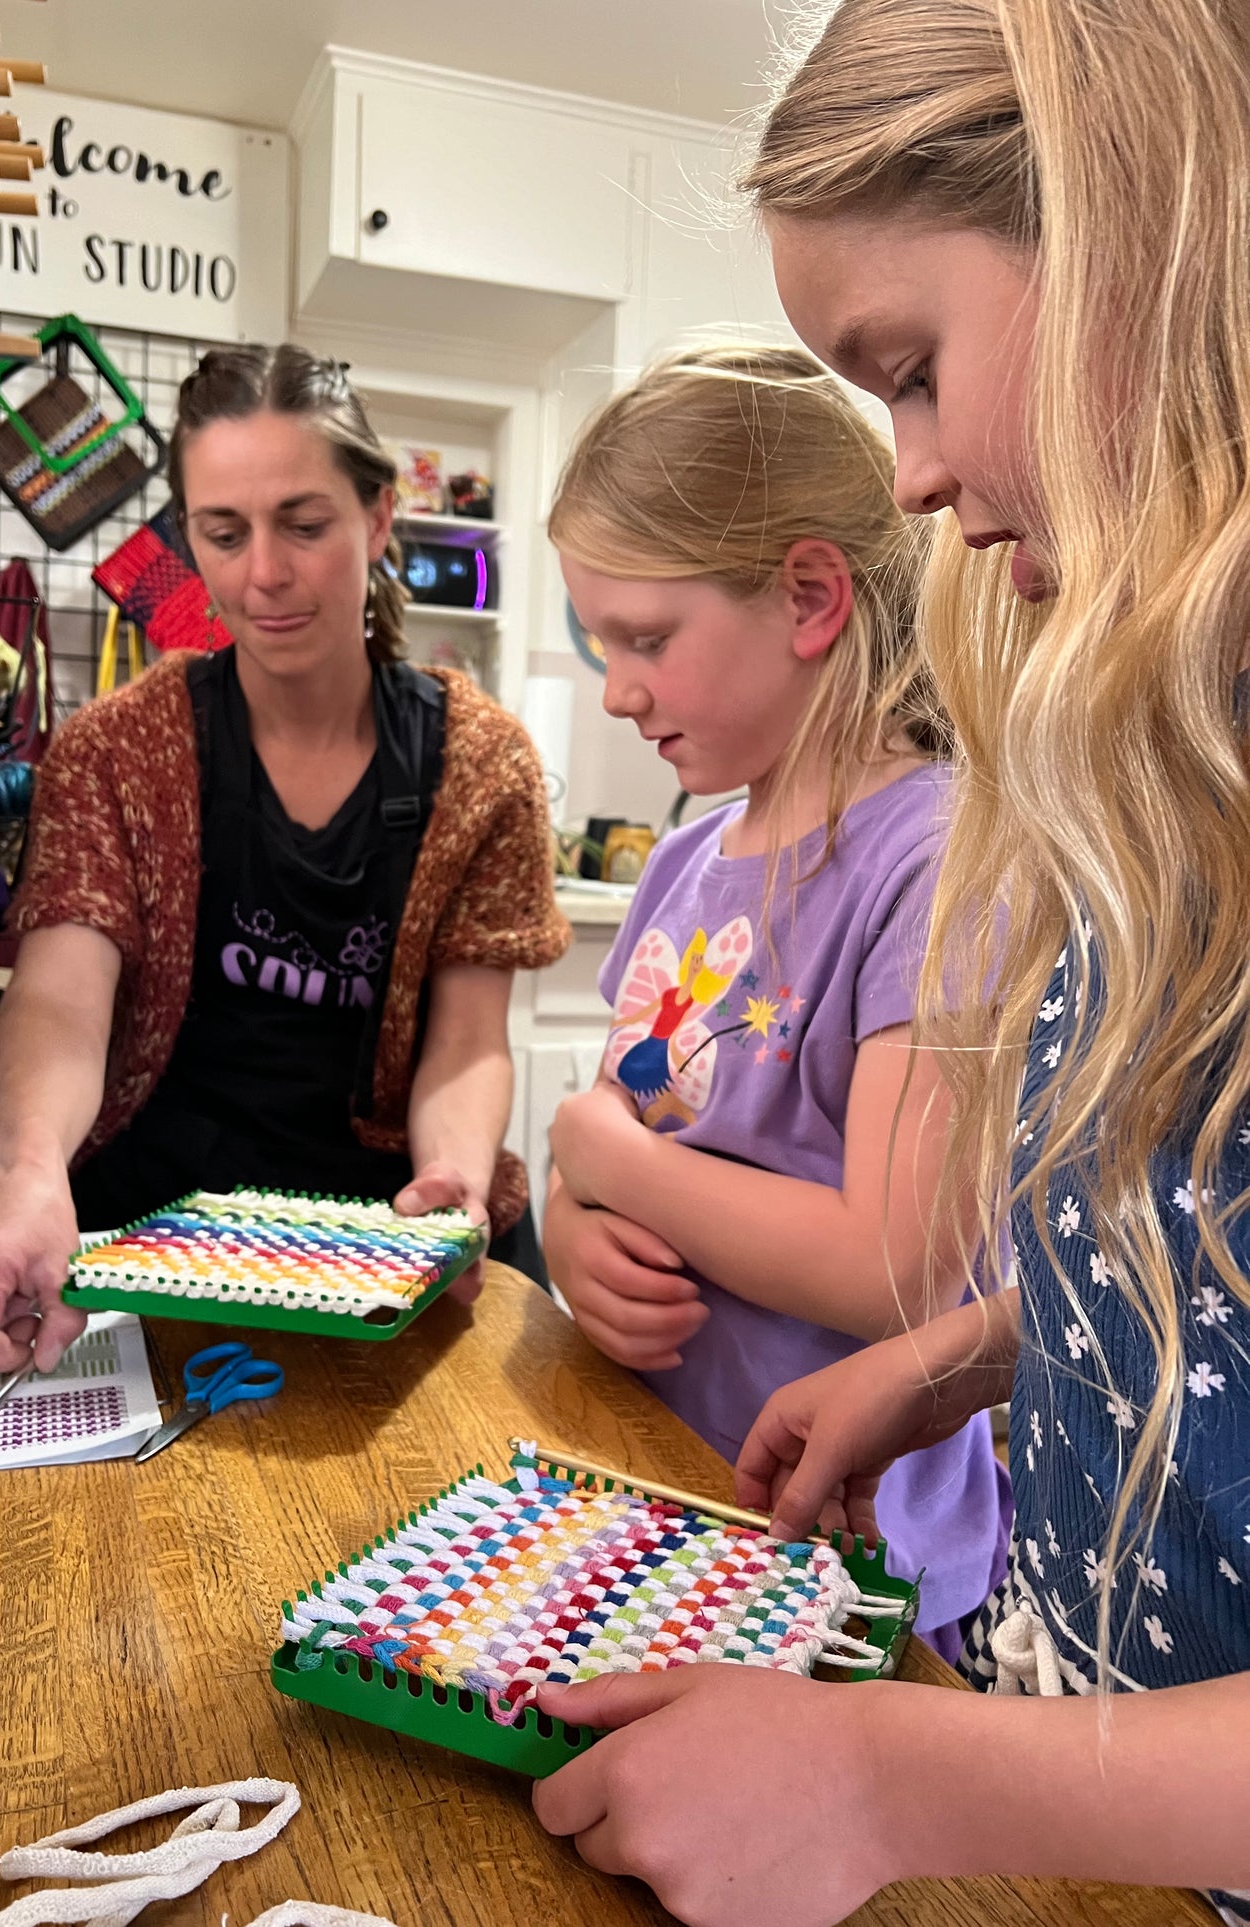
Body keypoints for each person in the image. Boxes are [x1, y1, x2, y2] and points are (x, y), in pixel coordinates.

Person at [531, 5, 1250, 1924]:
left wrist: (895, 1768)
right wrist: (957, 1358)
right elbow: (1202, 1252)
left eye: (916, 372)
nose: (911, 474)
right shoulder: (1166, 780)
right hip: (1067, 1791)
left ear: (1140, 235)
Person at [0, 345, 568, 1374]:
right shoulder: (116, 752)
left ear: (378, 519)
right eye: (224, 533)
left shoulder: (480, 765)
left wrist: (452, 1171)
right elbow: (59, 1003)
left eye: (304, 526)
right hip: (153, 1237)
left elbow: (468, 1040)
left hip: (383, 1250)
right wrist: (23, 1161)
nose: (264, 571)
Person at [541, 344, 1010, 1662]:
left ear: (809, 595)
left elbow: (898, 1268)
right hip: (666, 1507)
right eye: (600, 642)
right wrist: (570, 1226)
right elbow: (637, 1118)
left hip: (847, 1566)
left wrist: (602, 1157)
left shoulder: (938, 856)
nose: (617, 686)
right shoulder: (690, 864)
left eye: (646, 637)